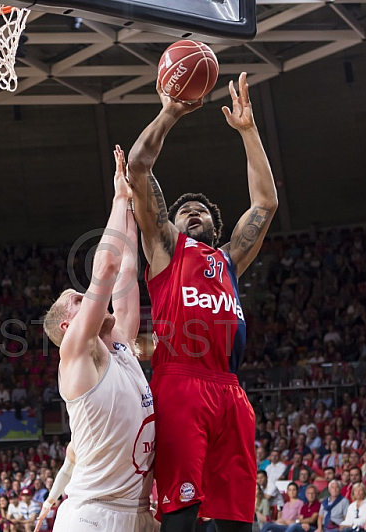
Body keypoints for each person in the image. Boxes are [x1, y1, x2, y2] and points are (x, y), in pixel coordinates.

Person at [128, 72, 276, 532]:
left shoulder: (230, 259)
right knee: (182, 516)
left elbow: (265, 205)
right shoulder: (167, 250)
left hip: (230, 389)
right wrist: (171, 111)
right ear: (169, 224)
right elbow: (137, 168)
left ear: (215, 222)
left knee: (237, 519)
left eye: (201, 210)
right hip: (181, 385)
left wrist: (249, 132)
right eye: (182, 210)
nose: (192, 212)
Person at [42, 147, 156, 531]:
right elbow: (105, 265)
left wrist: (131, 199)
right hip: (92, 514)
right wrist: (118, 197)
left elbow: (125, 267)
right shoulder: (76, 355)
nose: (85, 296)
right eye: (77, 300)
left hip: (136, 513)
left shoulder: (121, 344)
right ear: (66, 327)